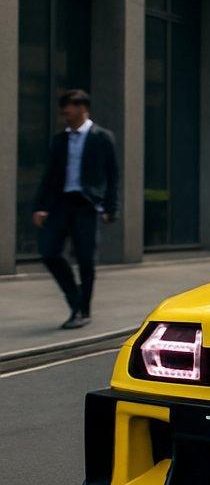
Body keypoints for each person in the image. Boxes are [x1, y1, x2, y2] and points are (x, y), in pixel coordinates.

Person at [32, 90, 119, 329]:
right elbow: (49, 176)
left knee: (85, 259)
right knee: (49, 252)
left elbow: (112, 176)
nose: (64, 115)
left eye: (67, 110)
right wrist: (41, 207)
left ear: (82, 108)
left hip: (87, 204)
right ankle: (75, 298)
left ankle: (83, 310)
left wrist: (110, 207)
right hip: (61, 203)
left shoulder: (102, 137)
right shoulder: (60, 140)